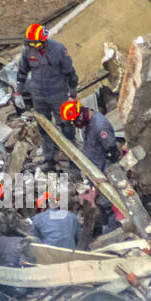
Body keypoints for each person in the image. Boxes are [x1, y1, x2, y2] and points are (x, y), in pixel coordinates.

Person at [14, 24, 78, 167]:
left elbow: (70, 72)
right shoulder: (28, 51)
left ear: (44, 40)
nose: (34, 47)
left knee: (66, 126)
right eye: (31, 44)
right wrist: (19, 90)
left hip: (58, 94)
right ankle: (49, 159)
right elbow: (22, 72)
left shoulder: (59, 49)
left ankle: (74, 162)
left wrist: (73, 92)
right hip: (38, 95)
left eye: (36, 44)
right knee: (44, 127)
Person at [61, 99, 122, 233]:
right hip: (94, 173)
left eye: (74, 122)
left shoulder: (100, 126)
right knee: (98, 204)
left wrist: (106, 176)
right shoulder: (87, 124)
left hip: (103, 174)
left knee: (108, 204)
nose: (75, 126)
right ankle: (100, 227)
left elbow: (113, 154)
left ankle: (113, 231)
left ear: (81, 115)